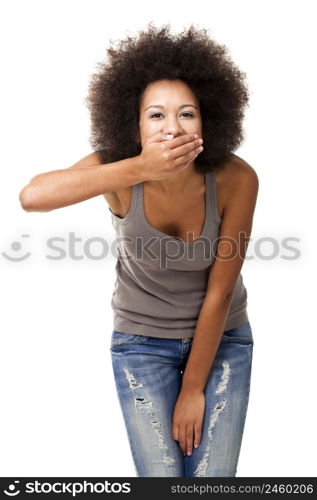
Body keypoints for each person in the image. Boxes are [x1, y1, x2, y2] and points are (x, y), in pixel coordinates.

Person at [19, 23, 259, 477]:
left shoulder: (236, 178)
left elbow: (220, 293)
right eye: (156, 116)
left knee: (212, 483)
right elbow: (32, 197)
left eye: (187, 114)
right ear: (132, 123)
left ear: (209, 121)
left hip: (223, 340)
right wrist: (138, 166)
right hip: (140, 344)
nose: (172, 128)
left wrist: (193, 389)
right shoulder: (120, 171)